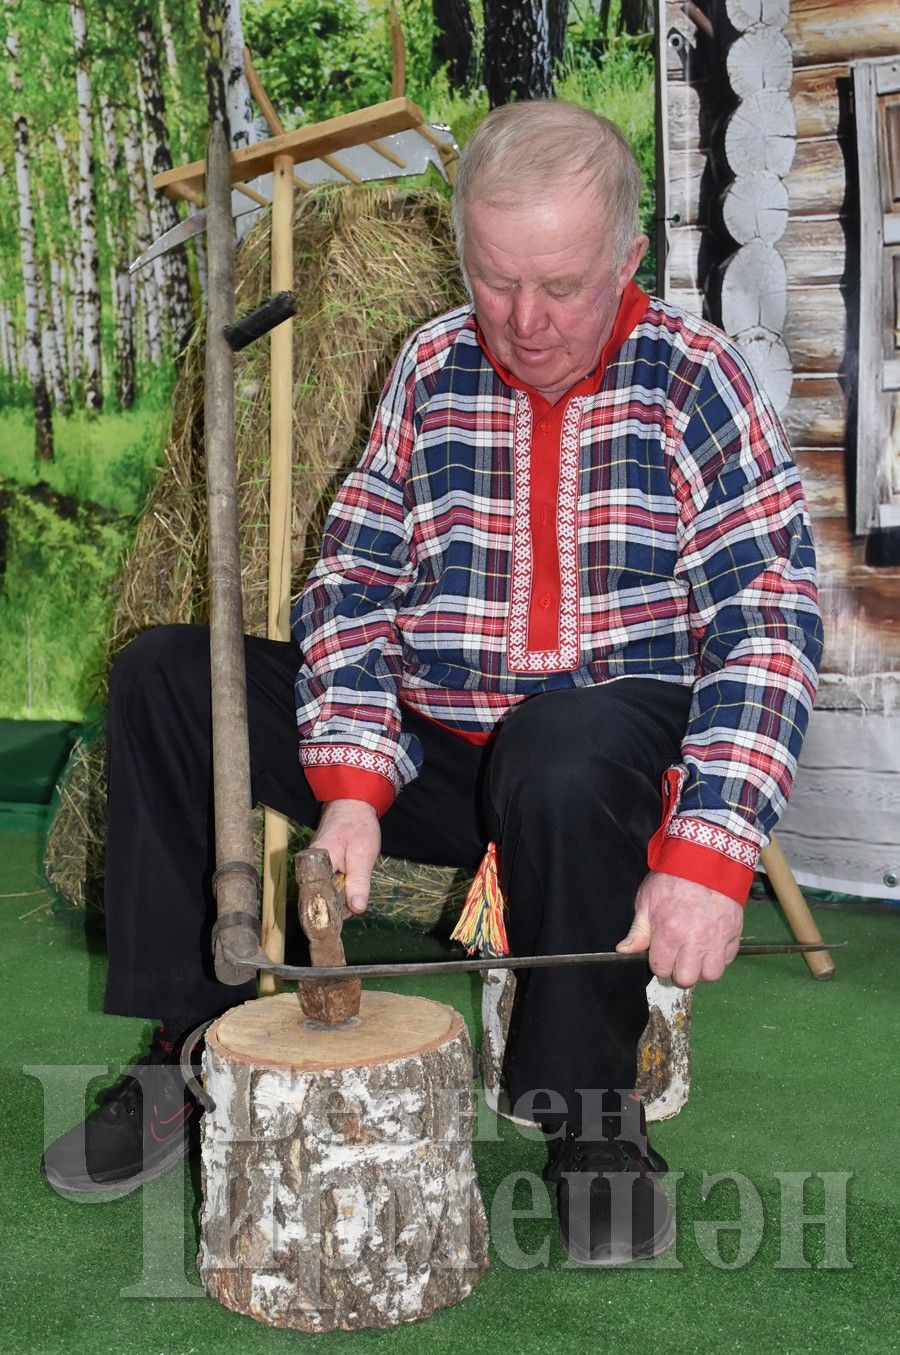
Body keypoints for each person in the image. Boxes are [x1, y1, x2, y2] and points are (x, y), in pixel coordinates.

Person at [42, 100, 823, 1266]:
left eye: (562, 284)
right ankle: (194, 1043)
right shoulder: (431, 362)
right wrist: (353, 780)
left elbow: (770, 620)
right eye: (498, 281)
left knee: (562, 746)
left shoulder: (695, 377)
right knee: (167, 672)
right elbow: (350, 582)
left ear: (626, 257)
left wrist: (710, 850)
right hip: (434, 749)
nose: (528, 321)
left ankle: (594, 1117)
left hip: (608, 761)